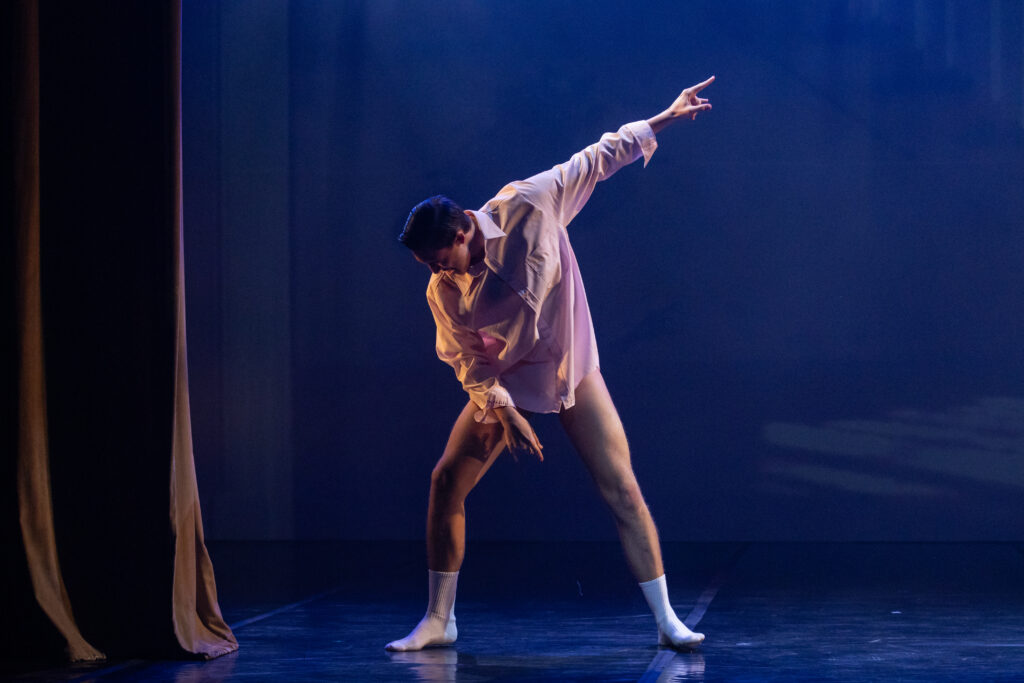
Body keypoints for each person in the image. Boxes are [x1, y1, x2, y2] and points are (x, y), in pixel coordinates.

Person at [387, 77, 716, 652]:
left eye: (440, 260)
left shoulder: (529, 202)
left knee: (622, 487)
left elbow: (598, 156)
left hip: (570, 364)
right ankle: (439, 620)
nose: (436, 272)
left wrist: (666, 117)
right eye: (428, 266)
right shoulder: (442, 290)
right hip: (507, 379)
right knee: (446, 481)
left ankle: (668, 620)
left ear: (463, 232)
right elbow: (467, 359)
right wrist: (504, 411)